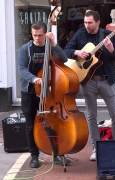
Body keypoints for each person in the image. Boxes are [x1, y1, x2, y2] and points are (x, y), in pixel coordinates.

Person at [64, 10, 115, 161]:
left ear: (97, 22)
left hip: (106, 79)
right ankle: (96, 148)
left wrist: (111, 49)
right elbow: (66, 51)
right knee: (91, 116)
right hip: (87, 81)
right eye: (85, 22)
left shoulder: (108, 34)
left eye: (89, 22)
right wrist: (77, 52)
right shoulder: (80, 34)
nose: (86, 25)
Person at [18, 22, 69, 168]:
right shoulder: (25, 49)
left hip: (48, 92)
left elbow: (64, 59)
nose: (38, 38)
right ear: (32, 34)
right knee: (30, 124)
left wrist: (54, 43)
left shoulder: (49, 47)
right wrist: (35, 79)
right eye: (35, 35)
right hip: (29, 91)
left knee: (53, 122)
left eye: (40, 35)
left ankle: (57, 154)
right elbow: (21, 69)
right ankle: (34, 156)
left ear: (45, 33)